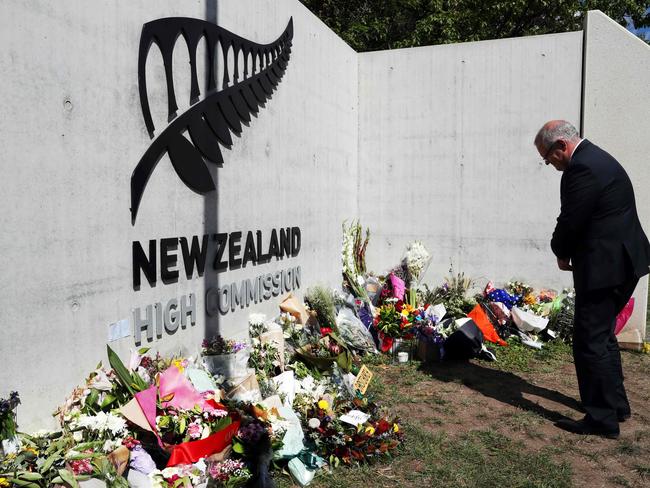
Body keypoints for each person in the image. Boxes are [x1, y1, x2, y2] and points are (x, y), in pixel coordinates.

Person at [534, 120, 650, 439]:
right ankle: (616, 406)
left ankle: (601, 419)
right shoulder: (597, 158)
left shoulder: (582, 168)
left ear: (561, 145)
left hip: (605, 268)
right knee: (603, 336)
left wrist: (560, 250)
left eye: (548, 157)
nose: (550, 164)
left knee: (590, 341)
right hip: (622, 262)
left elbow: (572, 218)